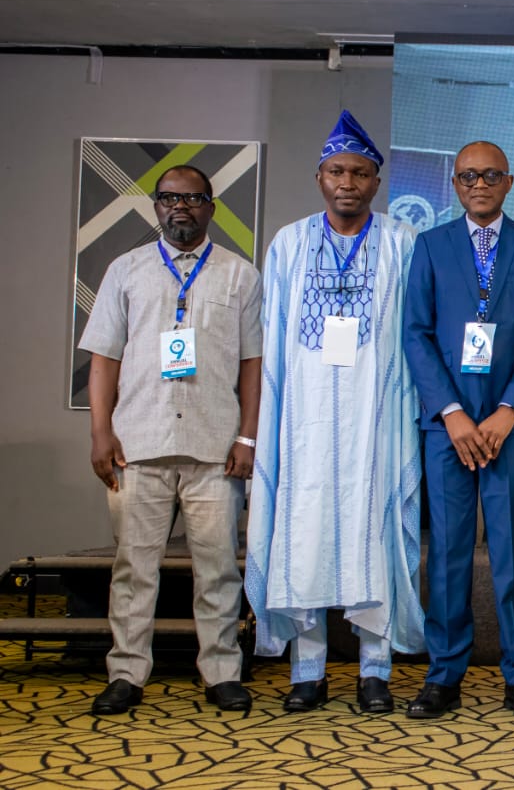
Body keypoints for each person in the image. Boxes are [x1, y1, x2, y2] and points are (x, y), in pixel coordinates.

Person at [247, 110, 426, 713]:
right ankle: (308, 670)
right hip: (304, 423)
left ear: (377, 181)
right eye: (336, 171)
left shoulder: (402, 242)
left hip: (378, 422)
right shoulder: (289, 243)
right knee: (305, 535)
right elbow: (273, 336)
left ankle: (376, 670)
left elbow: (414, 332)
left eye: (360, 173)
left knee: (374, 536)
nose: (347, 182)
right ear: (319, 177)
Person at [80, 165, 261, 715]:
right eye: (169, 198)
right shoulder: (126, 270)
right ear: (156, 206)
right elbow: (104, 358)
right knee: (133, 569)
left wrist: (248, 437)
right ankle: (126, 673)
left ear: (211, 206)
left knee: (218, 570)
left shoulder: (239, 275)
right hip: (137, 445)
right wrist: (100, 432)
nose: (180, 206)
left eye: (193, 198)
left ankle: (221, 672)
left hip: (215, 448)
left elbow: (253, 364)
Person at [402, 141, 514, 720]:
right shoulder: (431, 245)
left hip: (506, 426)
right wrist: (451, 412)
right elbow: (416, 332)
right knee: (447, 553)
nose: (479, 185)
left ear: (509, 182)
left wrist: (509, 410)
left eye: (491, 175)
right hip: (448, 427)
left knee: (513, 551)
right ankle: (444, 675)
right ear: (455, 184)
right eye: (468, 176)